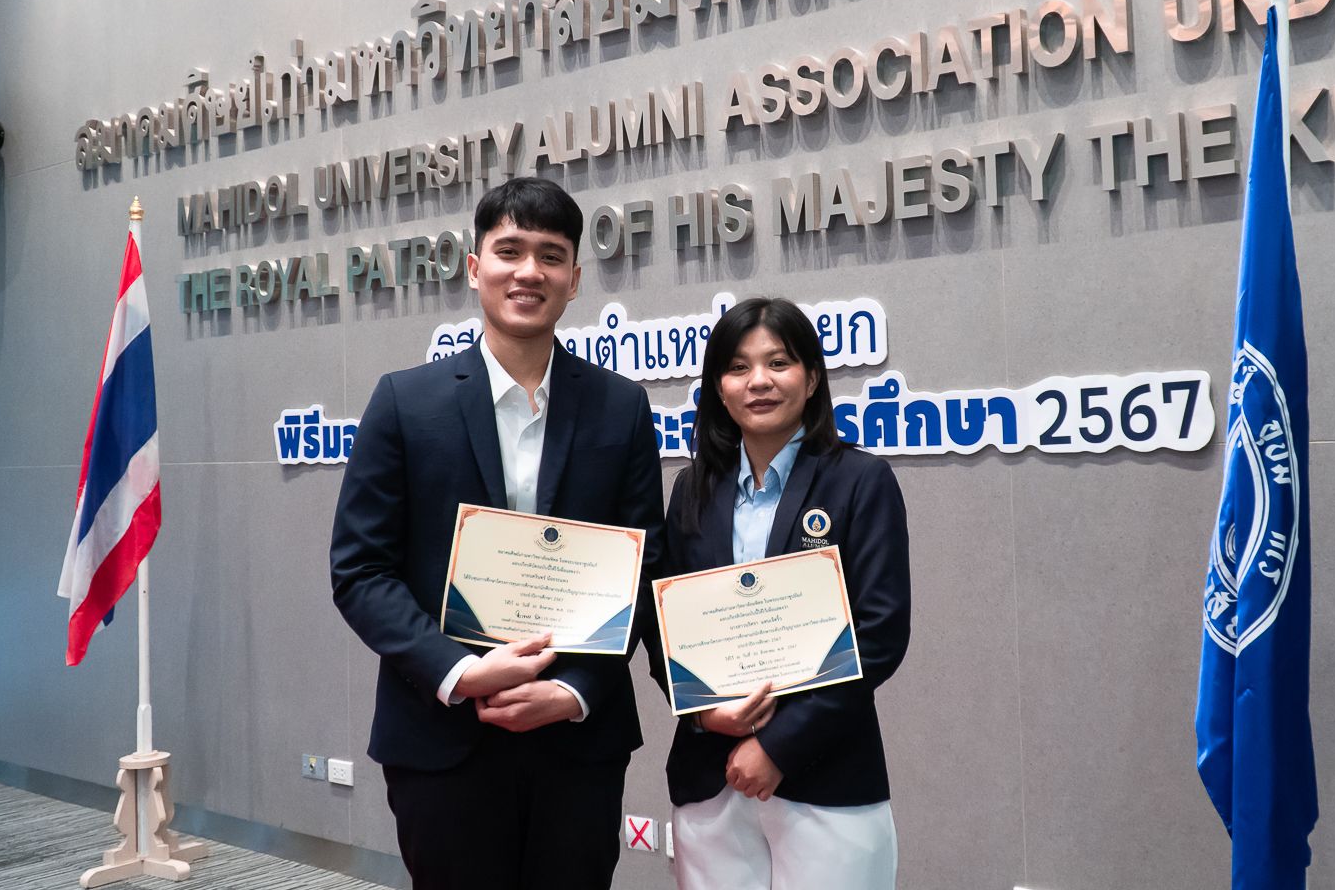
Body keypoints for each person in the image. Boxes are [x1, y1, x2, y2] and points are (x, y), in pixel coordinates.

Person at [330, 177, 664, 890]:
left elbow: (643, 569)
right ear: (475, 267)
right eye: (509, 251)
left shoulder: (622, 408)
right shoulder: (404, 403)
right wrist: (458, 672)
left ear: (575, 279)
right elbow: (361, 571)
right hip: (444, 735)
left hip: (577, 740)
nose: (528, 271)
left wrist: (575, 690)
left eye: (551, 255)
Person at [643, 297, 912, 890]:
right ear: (718, 388)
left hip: (825, 776)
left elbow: (879, 634)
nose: (758, 381)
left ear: (811, 378)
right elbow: (665, 627)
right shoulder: (692, 488)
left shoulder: (860, 481)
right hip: (709, 777)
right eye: (738, 367)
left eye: (779, 363)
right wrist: (706, 715)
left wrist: (779, 745)